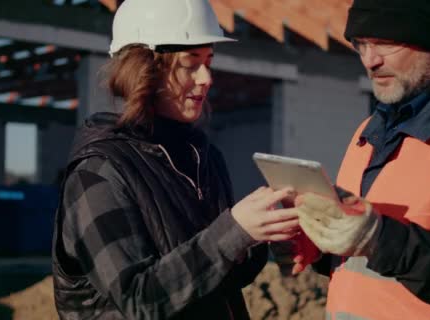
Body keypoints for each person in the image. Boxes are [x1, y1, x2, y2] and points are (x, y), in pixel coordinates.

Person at [51, 0, 300, 319]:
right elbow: (138, 299)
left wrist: (262, 234)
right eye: (190, 63)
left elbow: (221, 279)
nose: (206, 78)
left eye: (209, 61)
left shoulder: (203, 158)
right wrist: (234, 231)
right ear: (144, 68)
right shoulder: (99, 173)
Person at [292, 0, 430, 319]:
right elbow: (360, 267)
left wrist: (379, 239)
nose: (370, 61)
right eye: (362, 44)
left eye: (384, 43)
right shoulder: (368, 132)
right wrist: (313, 243)